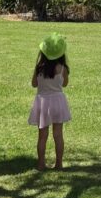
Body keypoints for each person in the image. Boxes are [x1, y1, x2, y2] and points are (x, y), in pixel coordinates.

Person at [29, 32, 72, 171]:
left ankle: (41, 164)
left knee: (42, 136)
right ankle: (59, 164)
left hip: (43, 102)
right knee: (58, 135)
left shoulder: (39, 68)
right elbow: (65, 84)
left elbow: (34, 84)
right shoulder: (62, 68)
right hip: (58, 102)